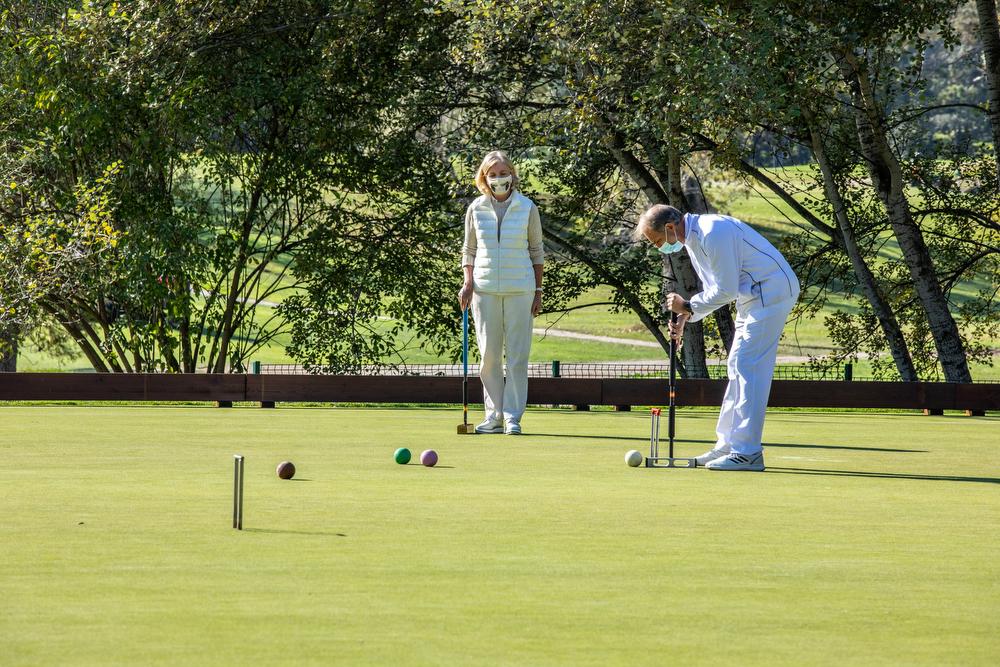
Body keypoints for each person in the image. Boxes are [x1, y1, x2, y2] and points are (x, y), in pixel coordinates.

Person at [633, 204, 799, 471]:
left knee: (749, 366)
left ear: (670, 227)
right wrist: (686, 317)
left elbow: (726, 290)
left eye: (658, 241)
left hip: (771, 290)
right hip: (753, 297)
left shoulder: (712, 232)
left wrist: (687, 306)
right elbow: (714, 290)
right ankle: (729, 445)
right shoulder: (693, 240)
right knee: (737, 365)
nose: (659, 247)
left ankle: (748, 452)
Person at [458, 151, 544, 435]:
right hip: (484, 290)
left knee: (517, 357)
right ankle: (493, 415)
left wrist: (539, 289)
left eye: (503, 172)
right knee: (490, 356)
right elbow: (469, 250)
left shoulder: (527, 207)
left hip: (520, 287)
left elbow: (536, 251)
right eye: (492, 174)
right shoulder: (476, 208)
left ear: (512, 174)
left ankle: (512, 418)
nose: (498, 178)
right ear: (484, 177)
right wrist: (468, 282)